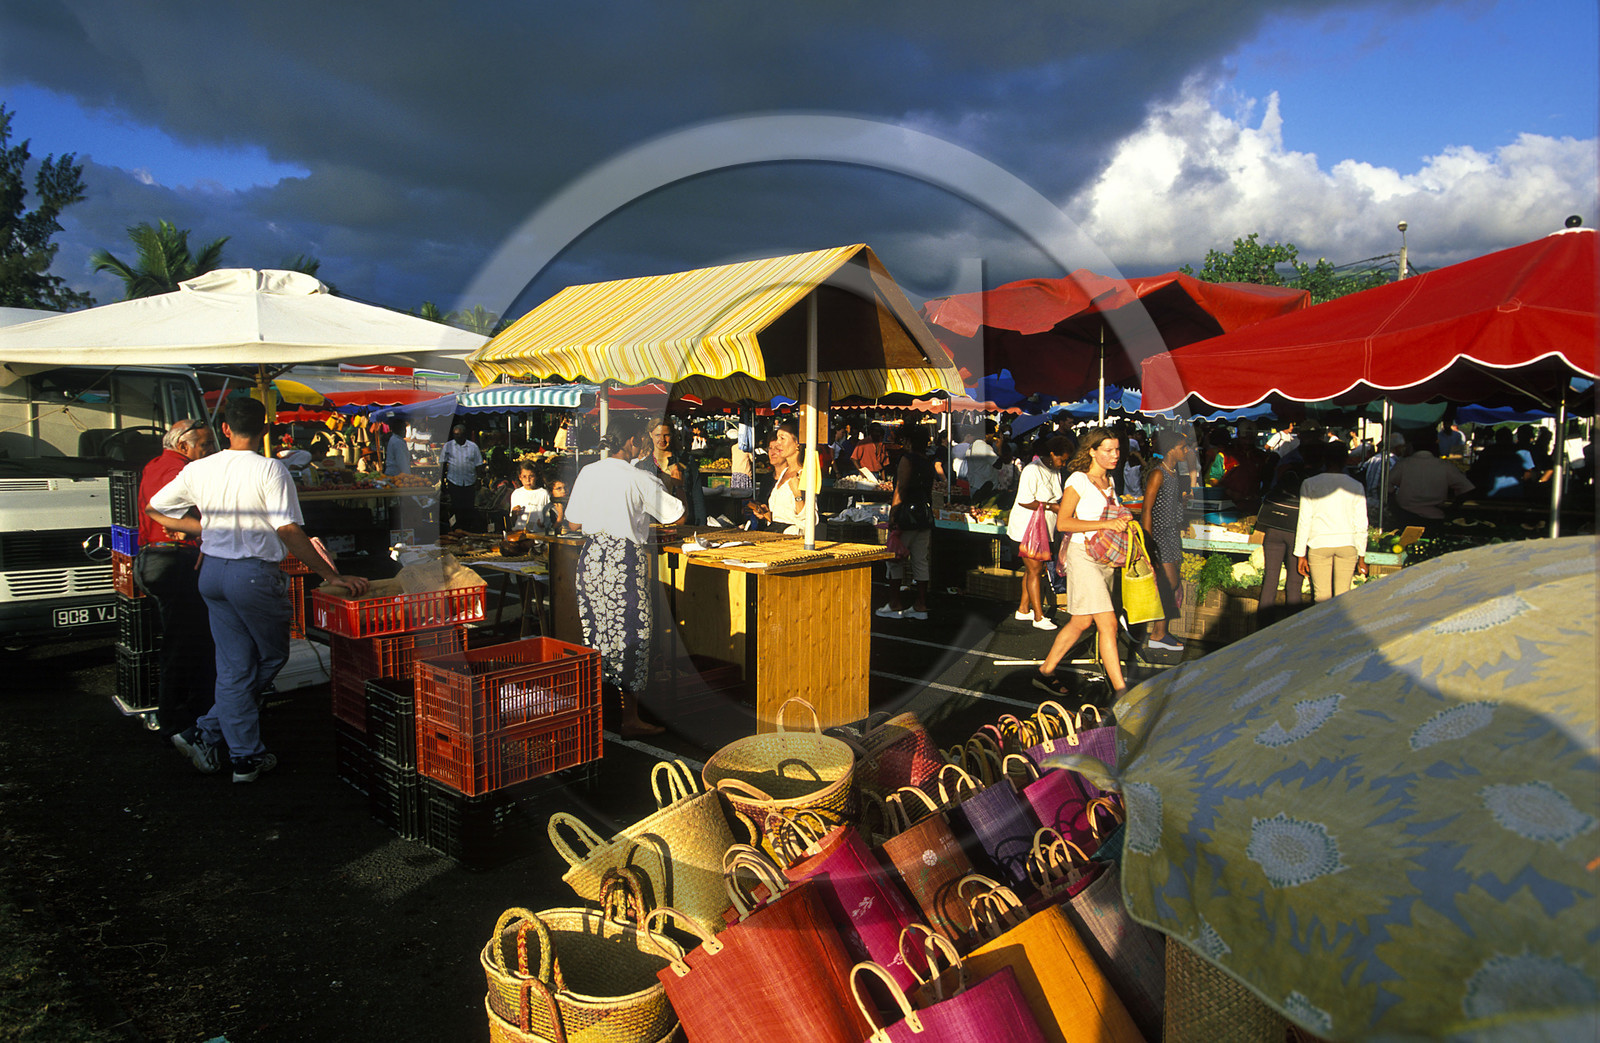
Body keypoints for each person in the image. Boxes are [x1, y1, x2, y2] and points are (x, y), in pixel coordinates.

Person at [146, 397, 370, 782]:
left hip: (212, 573)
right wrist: (329, 576)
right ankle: (228, 743)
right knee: (268, 658)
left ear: (226, 430)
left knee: (235, 667)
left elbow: (153, 507)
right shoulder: (271, 469)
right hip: (251, 575)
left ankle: (227, 743)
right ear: (265, 430)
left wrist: (200, 530)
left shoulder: (201, 468)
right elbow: (287, 530)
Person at [564, 420, 685, 738]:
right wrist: (672, 482)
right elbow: (676, 515)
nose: (645, 444)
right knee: (633, 636)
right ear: (631, 440)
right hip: (623, 561)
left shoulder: (588, 472)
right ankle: (629, 717)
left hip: (591, 560)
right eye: (643, 439)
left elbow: (574, 523)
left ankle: (598, 711)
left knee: (596, 635)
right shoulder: (639, 477)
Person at [133, 418, 219, 740]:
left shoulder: (156, 464)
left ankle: (182, 714)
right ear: (184, 446)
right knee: (187, 643)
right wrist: (193, 523)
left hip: (155, 558)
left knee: (182, 639)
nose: (210, 451)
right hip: (173, 560)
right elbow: (181, 516)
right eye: (205, 445)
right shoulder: (180, 472)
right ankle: (177, 720)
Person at [1035, 428, 1131, 697]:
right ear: (1092, 451)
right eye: (1108, 450)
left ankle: (1045, 672)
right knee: (1108, 623)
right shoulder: (1079, 479)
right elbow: (1064, 522)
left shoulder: (1109, 482)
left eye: (1117, 450)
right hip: (1084, 556)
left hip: (1104, 557)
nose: (1115, 455)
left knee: (1081, 622)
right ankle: (1121, 690)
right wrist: (1108, 522)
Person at [1005, 436, 1070, 631]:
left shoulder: (1055, 471)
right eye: (1062, 459)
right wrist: (1051, 506)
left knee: (1034, 568)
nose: (1063, 463)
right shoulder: (1032, 470)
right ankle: (1038, 616)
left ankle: (1024, 609)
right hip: (1027, 528)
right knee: (1035, 570)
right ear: (1052, 454)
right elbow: (1025, 500)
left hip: (1044, 527)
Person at [1293, 442, 1368, 602]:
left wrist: (1301, 554)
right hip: (1347, 544)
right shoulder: (1356, 486)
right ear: (1346, 460)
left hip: (1319, 544)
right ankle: (1341, 627)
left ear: (1324, 459)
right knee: (1344, 597)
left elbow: (1304, 520)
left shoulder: (1309, 484)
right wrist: (1361, 555)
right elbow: (1361, 524)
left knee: (1321, 598)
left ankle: (1323, 627)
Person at [1140, 429, 1192, 654]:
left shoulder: (1173, 473)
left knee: (1171, 583)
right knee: (1169, 583)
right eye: (1182, 447)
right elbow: (1147, 509)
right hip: (1159, 535)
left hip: (1170, 534)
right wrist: (1148, 541)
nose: (1186, 451)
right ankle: (1157, 633)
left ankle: (1160, 632)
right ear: (1171, 449)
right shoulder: (1158, 474)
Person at [877, 423, 936, 620]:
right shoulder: (927, 461)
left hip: (907, 516)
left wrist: (893, 515)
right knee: (920, 560)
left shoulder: (907, 459)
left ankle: (895, 603)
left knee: (895, 560)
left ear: (909, 441)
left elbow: (900, 489)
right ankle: (921, 604)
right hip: (923, 515)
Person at [1254, 450, 1307, 627]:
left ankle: (1263, 624)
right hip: (1294, 533)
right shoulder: (1305, 490)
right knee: (1294, 580)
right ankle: (1293, 625)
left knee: (1270, 578)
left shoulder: (1276, 489)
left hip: (1272, 532)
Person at [1389, 430, 1474, 530]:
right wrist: (1453, 508)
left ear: (1412, 446)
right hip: (1435, 518)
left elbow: (1385, 487)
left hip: (1405, 517)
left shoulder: (1403, 464)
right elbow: (1467, 489)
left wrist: (1395, 508)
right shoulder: (1445, 466)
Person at [636, 418, 705, 526]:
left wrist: (701, 525)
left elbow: (697, 496)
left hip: (686, 522)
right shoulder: (642, 467)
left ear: (672, 435)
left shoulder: (686, 461)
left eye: (666, 435)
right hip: (654, 525)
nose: (662, 439)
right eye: (657, 435)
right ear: (650, 435)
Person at [748, 421, 812, 534]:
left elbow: (809, 522)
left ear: (797, 443)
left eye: (782, 438)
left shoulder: (804, 475)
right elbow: (784, 517)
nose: (778, 443)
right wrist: (767, 514)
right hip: (775, 535)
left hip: (793, 541)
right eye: (777, 438)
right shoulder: (784, 473)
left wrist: (798, 495)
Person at [439, 424, 484, 531]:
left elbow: (479, 464)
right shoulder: (448, 446)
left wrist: (478, 479)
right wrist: (442, 481)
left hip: (469, 482)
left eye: (460, 435)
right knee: (456, 508)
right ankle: (455, 530)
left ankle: (467, 531)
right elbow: (443, 464)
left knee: (468, 508)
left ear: (465, 435)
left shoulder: (473, 447)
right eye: (455, 435)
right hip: (454, 482)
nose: (457, 437)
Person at [509, 461, 552, 532]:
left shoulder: (543, 493)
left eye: (531, 476)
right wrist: (514, 513)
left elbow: (550, 517)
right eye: (524, 477)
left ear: (536, 476)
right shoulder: (516, 493)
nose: (528, 480)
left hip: (538, 535)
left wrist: (543, 524)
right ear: (520, 477)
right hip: (520, 533)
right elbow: (512, 519)